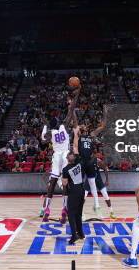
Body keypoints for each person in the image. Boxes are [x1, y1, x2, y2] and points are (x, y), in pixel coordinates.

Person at [39, 87, 79, 223]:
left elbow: (43, 141)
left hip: (56, 156)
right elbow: (72, 109)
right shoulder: (65, 125)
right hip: (65, 156)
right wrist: (75, 96)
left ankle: (47, 210)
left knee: (52, 182)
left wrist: (43, 120)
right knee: (65, 182)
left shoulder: (51, 133)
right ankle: (64, 209)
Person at [71, 104, 106, 216]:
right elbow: (75, 122)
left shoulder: (91, 135)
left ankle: (96, 206)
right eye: (82, 126)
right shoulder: (78, 135)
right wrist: (72, 109)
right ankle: (80, 209)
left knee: (93, 184)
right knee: (80, 186)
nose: (84, 126)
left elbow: (102, 127)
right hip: (81, 161)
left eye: (85, 125)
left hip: (90, 162)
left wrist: (105, 113)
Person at [61, 148, 85, 245]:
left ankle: (74, 236)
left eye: (69, 154)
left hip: (73, 192)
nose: (68, 155)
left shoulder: (65, 169)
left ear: (72, 157)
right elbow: (76, 150)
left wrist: (65, 194)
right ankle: (81, 234)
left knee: (71, 215)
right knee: (78, 214)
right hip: (81, 191)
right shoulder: (78, 163)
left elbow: (64, 184)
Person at [83, 154, 116, 219]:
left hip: (97, 177)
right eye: (105, 165)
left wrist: (107, 180)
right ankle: (81, 213)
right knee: (84, 195)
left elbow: (105, 170)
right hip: (90, 177)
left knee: (105, 194)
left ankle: (111, 211)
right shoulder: (92, 161)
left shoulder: (102, 163)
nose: (105, 166)